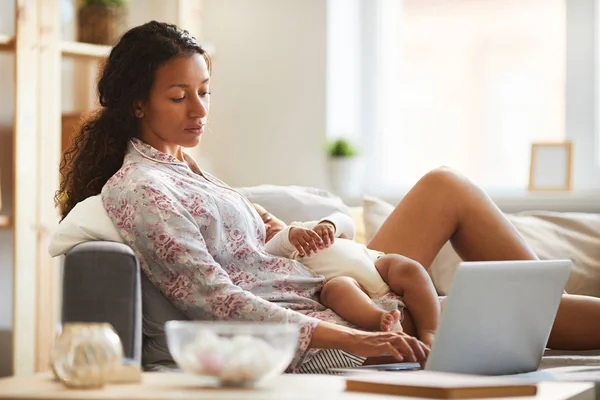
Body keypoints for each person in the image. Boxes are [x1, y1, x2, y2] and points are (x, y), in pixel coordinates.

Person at [55, 21, 600, 373]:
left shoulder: (182, 165)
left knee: (449, 193)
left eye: (204, 93)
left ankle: (528, 296)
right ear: (136, 105)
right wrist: (350, 337)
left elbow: (261, 233)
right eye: (179, 97)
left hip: (323, 286)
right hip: (320, 314)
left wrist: (300, 232)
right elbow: (210, 296)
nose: (200, 111)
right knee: (500, 309)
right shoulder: (141, 189)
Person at [253, 203, 439, 347]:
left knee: (409, 268)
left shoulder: (309, 227)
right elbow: (274, 247)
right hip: (349, 286)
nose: (266, 226)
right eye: (257, 226)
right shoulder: (269, 255)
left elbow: (345, 222)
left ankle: (430, 331)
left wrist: (328, 225)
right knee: (335, 290)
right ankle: (381, 319)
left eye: (267, 218)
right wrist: (289, 235)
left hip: (377, 265)